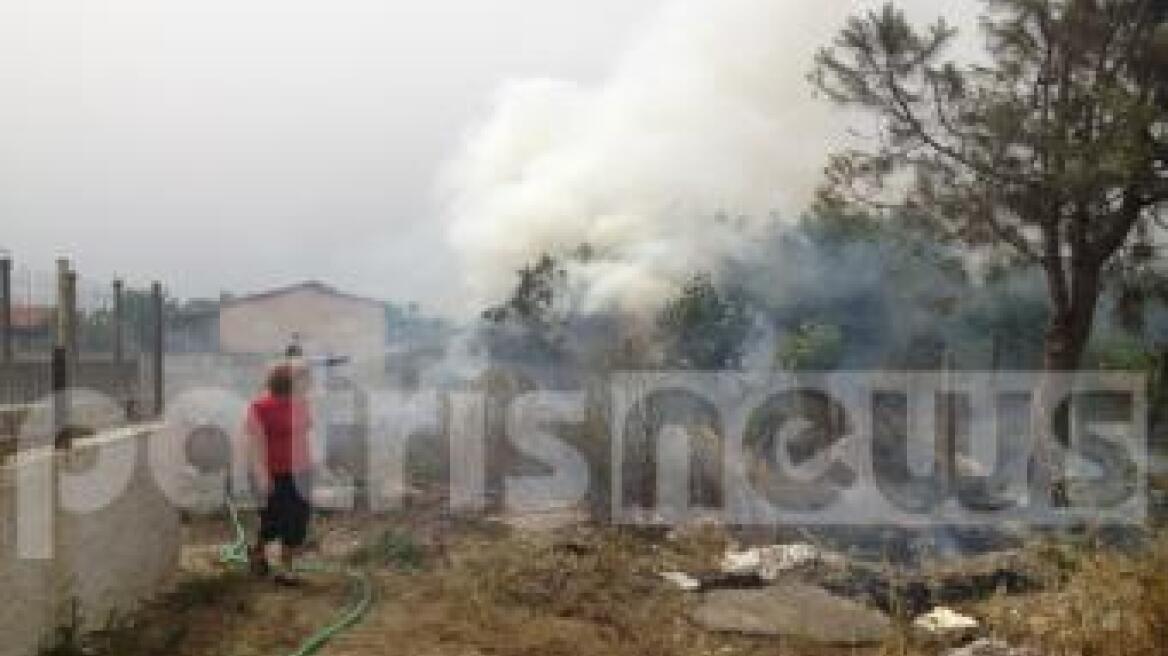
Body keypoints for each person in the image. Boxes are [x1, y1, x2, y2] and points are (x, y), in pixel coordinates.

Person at [246, 362, 313, 580]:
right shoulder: (260, 407)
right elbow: (255, 444)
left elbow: (305, 434)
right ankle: (258, 552)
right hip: (273, 473)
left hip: (301, 472)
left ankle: (287, 570)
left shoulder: (303, 404)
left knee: (297, 521)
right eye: (303, 379)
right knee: (273, 521)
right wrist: (262, 474)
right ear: (288, 382)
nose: (308, 383)